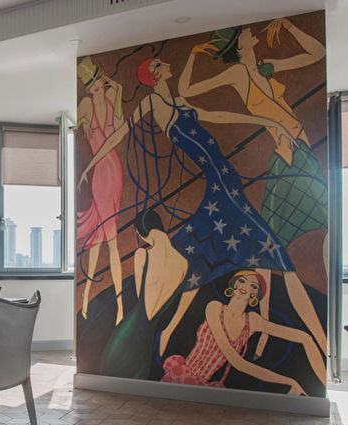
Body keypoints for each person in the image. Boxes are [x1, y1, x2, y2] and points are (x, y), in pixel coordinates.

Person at [175, 20, 327, 359]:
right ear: (237, 42)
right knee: (269, 249)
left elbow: (319, 53)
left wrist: (288, 25)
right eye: (245, 31)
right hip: (284, 155)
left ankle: (317, 340)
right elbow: (185, 91)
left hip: (299, 151)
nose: (252, 32)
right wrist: (194, 56)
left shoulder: (266, 67)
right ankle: (266, 326)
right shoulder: (236, 76)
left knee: (313, 231)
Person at [161, 270, 324, 393]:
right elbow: (238, 363)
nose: (246, 287)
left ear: (255, 294)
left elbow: (304, 338)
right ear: (235, 285)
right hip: (180, 376)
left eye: (253, 286)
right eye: (243, 281)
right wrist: (288, 381)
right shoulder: (214, 307)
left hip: (204, 385)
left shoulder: (253, 321)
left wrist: (310, 342)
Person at [99, 209, 187, 379]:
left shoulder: (142, 254)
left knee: (110, 365)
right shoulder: (183, 264)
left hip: (132, 327)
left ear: (141, 231)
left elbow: (141, 295)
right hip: (150, 334)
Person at [76, 56, 125, 324]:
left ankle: (120, 306)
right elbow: (77, 127)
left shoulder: (109, 101)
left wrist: (117, 95)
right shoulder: (85, 104)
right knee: (98, 238)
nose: (96, 87)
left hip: (114, 170)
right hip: (99, 175)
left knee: (111, 239)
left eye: (98, 81)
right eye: (92, 84)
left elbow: (117, 130)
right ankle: (84, 300)